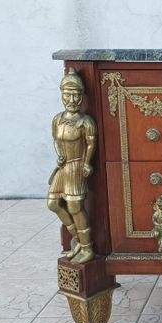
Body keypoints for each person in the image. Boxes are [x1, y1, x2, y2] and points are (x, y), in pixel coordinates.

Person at [47, 68, 97, 264]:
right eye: (68, 95)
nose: (72, 100)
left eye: (77, 95)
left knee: (75, 207)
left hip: (76, 168)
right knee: (53, 204)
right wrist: (59, 155)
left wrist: (86, 164)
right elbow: (56, 140)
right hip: (63, 168)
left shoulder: (85, 122)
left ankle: (87, 248)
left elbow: (91, 143)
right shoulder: (58, 119)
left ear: (82, 97)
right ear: (62, 96)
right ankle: (78, 238)